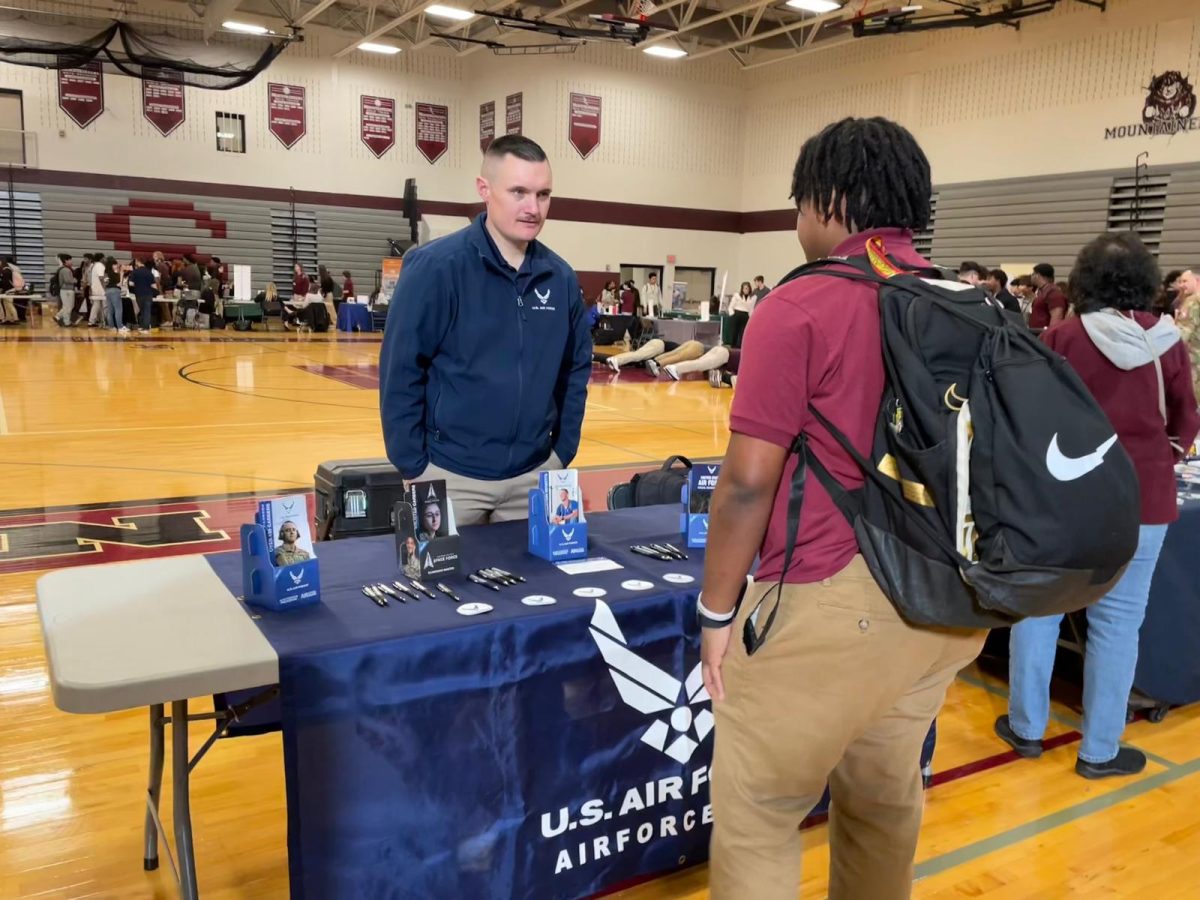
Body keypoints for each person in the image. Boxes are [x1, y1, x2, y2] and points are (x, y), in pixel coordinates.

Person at [697, 117, 986, 900]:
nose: (797, 225)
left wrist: (717, 613)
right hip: (945, 605)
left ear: (832, 202)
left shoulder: (803, 305)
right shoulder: (971, 303)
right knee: (883, 803)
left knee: (760, 811)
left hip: (832, 598)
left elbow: (748, 483)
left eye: (799, 206)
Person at [998, 233, 1200, 778]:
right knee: (1120, 623)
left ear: (1084, 279)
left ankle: (1026, 727)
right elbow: (1186, 418)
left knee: (1041, 608)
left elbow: (1033, 414)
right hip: (1146, 500)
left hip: (1069, 498)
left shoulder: (1063, 336)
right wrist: (1164, 455)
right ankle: (1101, 749)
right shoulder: (1170, 343)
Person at [378, 134, 592, 526]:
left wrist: (561, 452)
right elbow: (400, 370)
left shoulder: (560, 278)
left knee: (539, 589)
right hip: (448, 477)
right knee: (439, 589)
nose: (533, 208)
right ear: (484, 190)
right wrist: (414, 466)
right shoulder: (435, 268)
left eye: (543, 194)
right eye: (519, 192)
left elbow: (575, 370)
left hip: (535, 475)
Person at [1173, 268, 1200, 401]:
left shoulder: (1192, 302)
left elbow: (1181, 335)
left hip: (1193, 361)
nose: (1181, 285)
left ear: (1197, 281)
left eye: (1185, 281)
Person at [1029, 262, 1067, 330]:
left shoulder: (1053, 292)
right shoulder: (1042, 292)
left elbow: (1057, 318)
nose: (1031, 276)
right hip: (1036, 334)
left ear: (1037, 275)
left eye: (1033, 274)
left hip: (1044, 336)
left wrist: (1049, 336)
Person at [129, 258, 157, 334]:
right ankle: (146, 327)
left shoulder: (135, 272)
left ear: (138, 262)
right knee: (147, 311)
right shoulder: (149, 273)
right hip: (148, 294)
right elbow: (154, 286)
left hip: (138, 294)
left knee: (142, 310)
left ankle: (142, 326)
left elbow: (131, 284)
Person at [728, 281, 754, 348]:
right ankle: (733, 346)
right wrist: (732, 314)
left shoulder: (751, 298)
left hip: (745, 315)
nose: (746, 290)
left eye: (747, 288)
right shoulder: (737, 296)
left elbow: (751, 309)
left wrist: (751, 318)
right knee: (735, 331)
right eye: (745, 288)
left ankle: (741, 346)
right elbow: (731, 307)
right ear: (742, 289)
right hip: (737, 314)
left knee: (743, 332)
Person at [54, 253, 76, 327]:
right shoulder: (66, 270)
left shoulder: (62, 269)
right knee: (68, 307)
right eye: (70, 260)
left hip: (64, 290)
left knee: (66, 306)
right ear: (65, 261)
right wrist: (75, 280)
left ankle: (58, 316)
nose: (71, 262)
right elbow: (68, 280)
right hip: (67, 290)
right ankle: (66, 322)